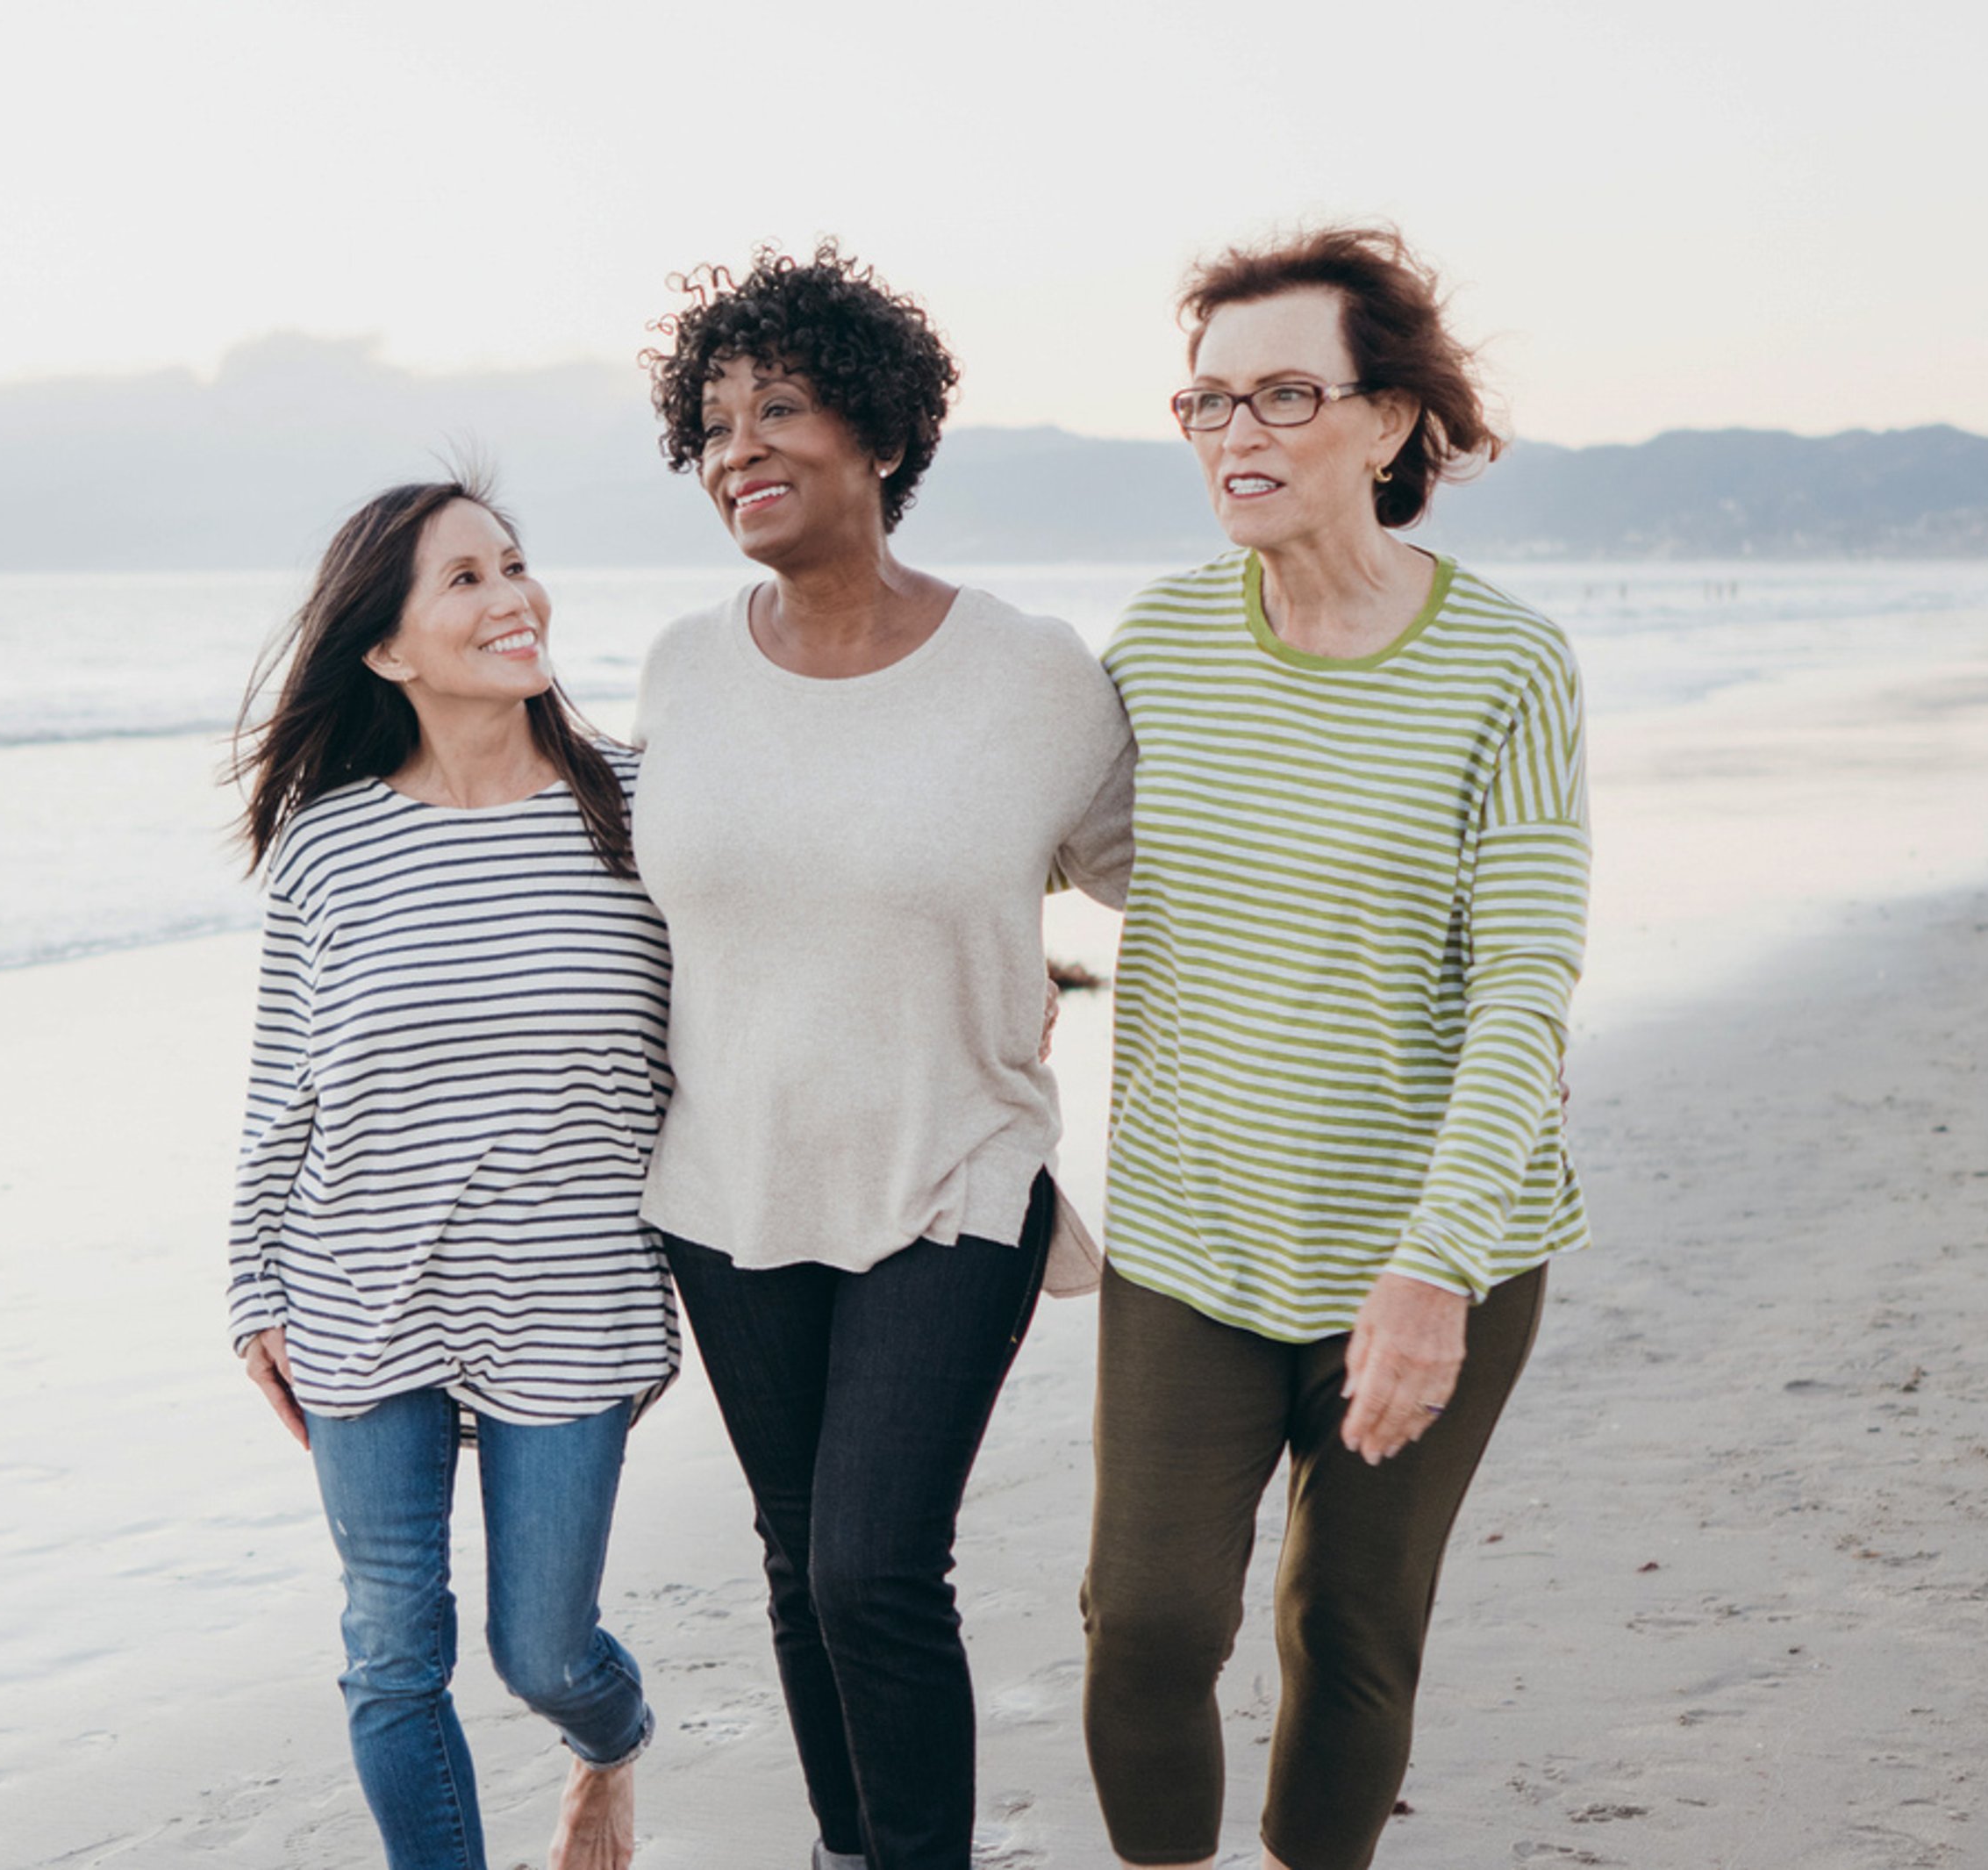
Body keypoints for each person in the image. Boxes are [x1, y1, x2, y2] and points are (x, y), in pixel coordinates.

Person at [1081, 224, 1590, 1870]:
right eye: (1209, 400)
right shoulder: (1155, 648)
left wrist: (1433, 1274)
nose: (1239, 434)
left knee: (1351, 1624)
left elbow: (1526, 987)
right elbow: (977, 857)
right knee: (1147, 1623)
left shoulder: (1508, 668)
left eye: (1286, 393)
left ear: (1391, 424)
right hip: (1192, 1233)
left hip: (1436, 1250)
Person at [629, 244, 1137, 1870]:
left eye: (778, 406)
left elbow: (1180, 887)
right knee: (796, 1559)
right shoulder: (682, 669)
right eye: (711, 423)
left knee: (870, 1568)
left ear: (883, 437)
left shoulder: (1032, 675)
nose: (738, 450)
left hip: (951, 1173)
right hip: (729, 1186)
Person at [224, 476, 676, 1870]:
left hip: (572, 1290)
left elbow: (806, 935)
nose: (514, 598)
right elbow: (279, 1089)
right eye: (466, 581)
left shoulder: (643, 809)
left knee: (541, 1648)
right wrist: (251, 1291)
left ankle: (611, 1744)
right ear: (387, 650)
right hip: (361, 1289)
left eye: (517, 565)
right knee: (390, 1651)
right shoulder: (330, 844)